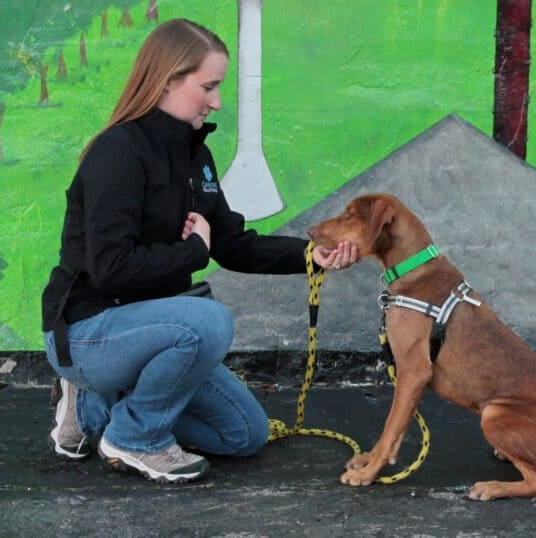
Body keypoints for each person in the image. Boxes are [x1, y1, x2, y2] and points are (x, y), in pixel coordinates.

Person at [41, 18, 357, 483]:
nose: (217, 101)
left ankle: (92, 409)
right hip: (90, 332)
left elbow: (230, 243)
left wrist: (310, 256)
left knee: (243, 434)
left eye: (220, 86)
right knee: (209, 321)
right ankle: (135, 437)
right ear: (167, 80)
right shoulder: (119, 153)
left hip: (155, 330)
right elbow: (110, 268)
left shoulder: (195, 156)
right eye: (208, 86)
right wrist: (193, 252)